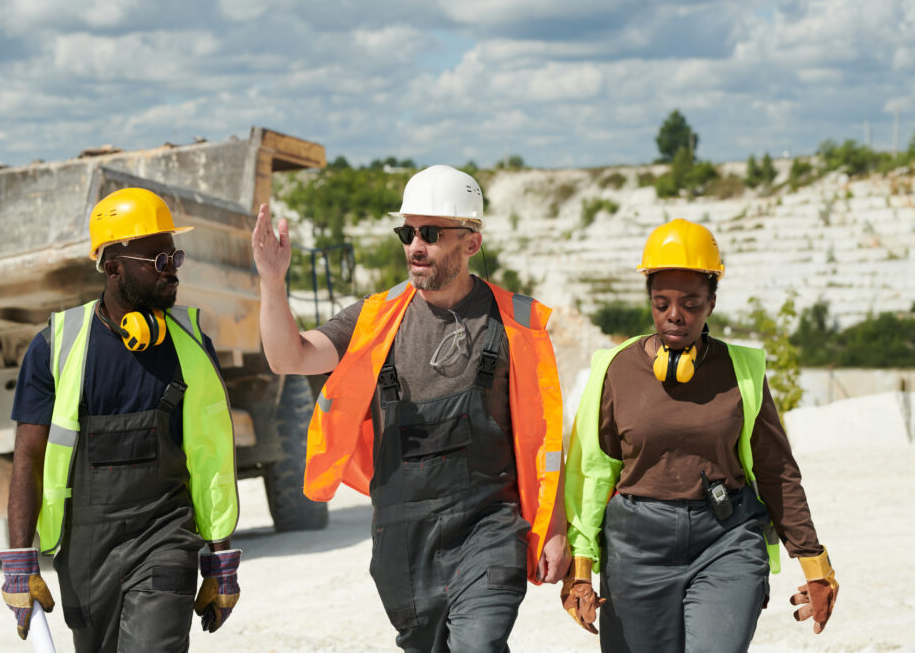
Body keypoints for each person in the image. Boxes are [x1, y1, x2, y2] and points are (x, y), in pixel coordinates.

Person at [252, 164, 570, 651]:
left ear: (472, 242)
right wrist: (273, 282)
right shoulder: (374, 320)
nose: (415, 246)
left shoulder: (516, 323)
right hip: (403, 538)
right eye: (408, 232)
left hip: (488, 526)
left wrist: (555, 527)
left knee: (478, 644)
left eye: (431, 233)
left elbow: (544, 436)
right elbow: (288, 357)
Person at [561, 218, 840, 652]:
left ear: (712, 302)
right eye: (662, 303)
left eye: (690, 303)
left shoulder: (742, 371)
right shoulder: (615, 369)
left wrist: (814, 562)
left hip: (726, 539)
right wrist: (579, 569)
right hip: (637, 548)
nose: (675, 315)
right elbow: (591, 474)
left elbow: (776, 471)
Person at [0, 187, 241, 652]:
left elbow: (210, 458)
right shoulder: (56, 346)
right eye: (158, 261)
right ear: (113, 268)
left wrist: (220, 557)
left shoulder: (191, 344)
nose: (172, 271)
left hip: (166, 537)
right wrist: (19, 560)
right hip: (86, 552)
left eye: (175, 257)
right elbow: (28, 457)